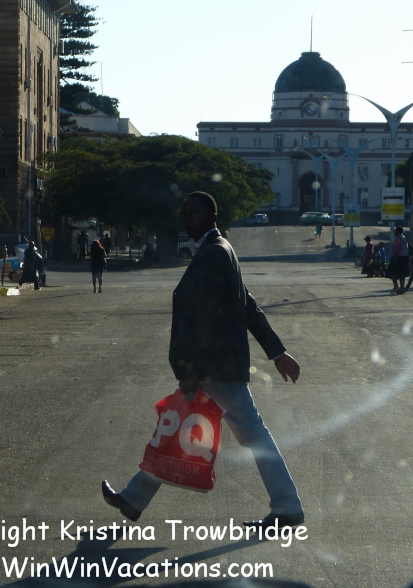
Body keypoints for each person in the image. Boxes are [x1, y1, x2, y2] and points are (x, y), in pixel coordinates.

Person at [102, 191, 304, 530]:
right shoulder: (217, 249)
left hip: (215, 368)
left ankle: (288, 507)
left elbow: (211, 317)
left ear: (212, 216)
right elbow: (246, 305)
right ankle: (134, 498)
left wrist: (193, 368)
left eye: (194, 213)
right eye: (184, 213)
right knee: (179, 426)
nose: (187, 219)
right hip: (217, 365)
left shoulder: (215, 252)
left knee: (250, 434)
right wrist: (276, 353)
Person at [386, 226, 409, 294]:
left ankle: (397, 286)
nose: (394, 232)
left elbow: (397, 249)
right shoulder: (404, 237)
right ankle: (401, 287)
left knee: (392, 272)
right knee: (402, 274)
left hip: (398, 257)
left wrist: (396, 258)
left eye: (396, 231)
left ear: (398, 231)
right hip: (404, 257)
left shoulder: (398, 238)